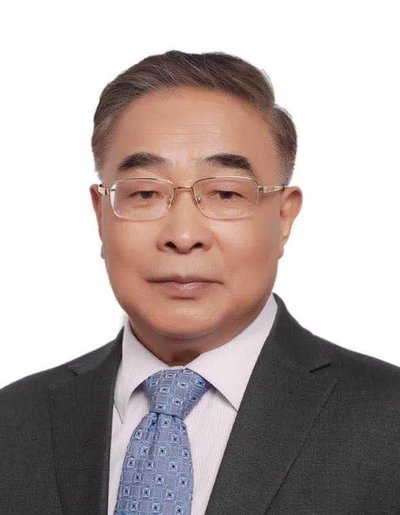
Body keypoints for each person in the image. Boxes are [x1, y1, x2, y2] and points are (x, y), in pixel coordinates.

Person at [1, 50, 399, 515]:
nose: (184, 235)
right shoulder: (13, 423)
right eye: (144, 193)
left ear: (284, 218)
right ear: (100, 215)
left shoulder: (388, 422)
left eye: (226, 193)